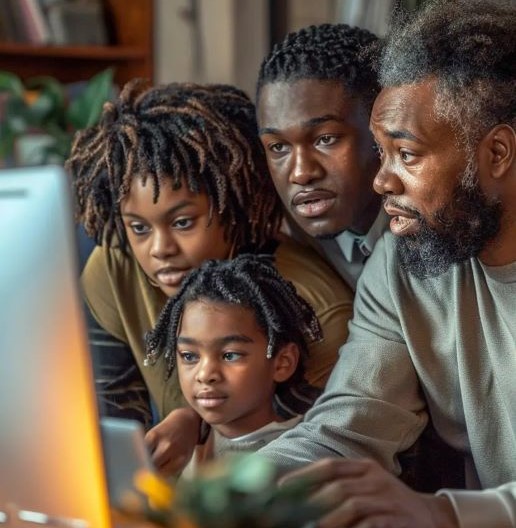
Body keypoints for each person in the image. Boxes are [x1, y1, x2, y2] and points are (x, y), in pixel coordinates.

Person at [257, 1, 516, 526]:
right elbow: (345, 429)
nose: (382, 182)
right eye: (381, 152)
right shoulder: (404, 265)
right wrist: (228, 496)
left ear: (497, 153)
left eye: (408, 154)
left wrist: (444, 515)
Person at [66, 80, 353, 474]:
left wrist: (198, 422)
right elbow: (113, 418)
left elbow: (317, 444)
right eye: (139, 227)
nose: (159, 249)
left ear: (233, 204)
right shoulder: (114, 267)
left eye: (183, 222)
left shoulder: (313, 305)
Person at [144, 254, 323, 477]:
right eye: (189, 356)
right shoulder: (178, 446)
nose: (205, 374)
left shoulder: (303, 454)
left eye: (230, 355)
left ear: (282, 363)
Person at [256, 23, 386, 290]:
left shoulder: (446, 230)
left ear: (383, 130)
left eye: (325, 139)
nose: (301, 173)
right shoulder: (278, 240)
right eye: (279, 147)